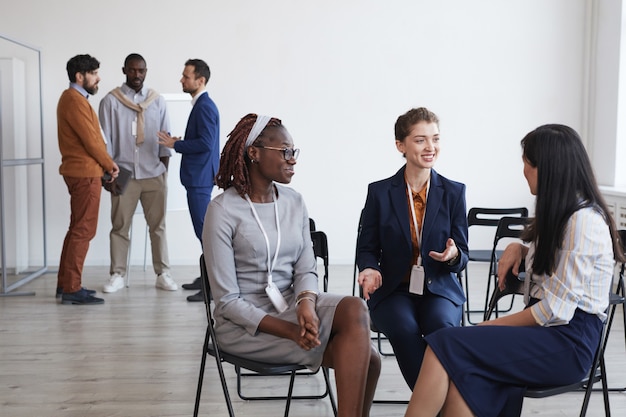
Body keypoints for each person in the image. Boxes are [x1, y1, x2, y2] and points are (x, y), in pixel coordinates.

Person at [404, 124, 625, 417]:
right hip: (547, 334)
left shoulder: (582, 222)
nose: (523, 171)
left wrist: (484, 327)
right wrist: (518, 248)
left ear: (546, 169)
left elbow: (552, 312)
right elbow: (549, 278)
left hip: (568, 343)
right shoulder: (559, 216)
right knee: (463, 373)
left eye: (527, 164)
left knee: (445, 343)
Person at [203, 113, 381, 416]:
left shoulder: (294, 202)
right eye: (285, 151)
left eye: (294, 152)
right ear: (254, 153)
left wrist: (305, 303)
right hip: (244, 325)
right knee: (370, 359)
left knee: (355, 311)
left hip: (290, 305)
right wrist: (288, 330)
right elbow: (228, 302)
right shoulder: (222, 210)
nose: (293, 159)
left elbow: (306, 267)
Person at [356, 107, 468, 389]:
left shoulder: (454, 192)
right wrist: (369, 268)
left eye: (435, 139)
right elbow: (366, 247)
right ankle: (440, 407)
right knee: (405, 329)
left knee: (441, 327)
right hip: (394, 289)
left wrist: (453, 256)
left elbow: (462, 254)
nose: (430, 147)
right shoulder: (379, 193)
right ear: (400, 146)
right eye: (420, 140)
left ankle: (433, 405)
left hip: (439, 287)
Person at [98, 53, 177, 293]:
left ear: (146, 71)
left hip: (153, 172)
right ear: (124, 70)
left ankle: (163, 273)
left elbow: (165, 138)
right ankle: (117, 274)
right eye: (132, 70)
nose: (137, 75)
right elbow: (104, 141)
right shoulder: (111, 101)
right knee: (120, 226)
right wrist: (108, 175)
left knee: (158, 226)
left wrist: (163, 170)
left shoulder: (157, 101)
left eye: (141, 70)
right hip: (122, 172)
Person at [56, 54, 119, 305]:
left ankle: (65, 284)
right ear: (80, 76)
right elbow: (91, 140)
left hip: (82, 172)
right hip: (84, 173)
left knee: (76, 229)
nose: (98, 78)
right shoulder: (73, 100)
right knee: (83, 230)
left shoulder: (75, 99)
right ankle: (72, 288)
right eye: (94, 73)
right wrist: (109, 164)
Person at [158, 59, 219, 302]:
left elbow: (205, 143)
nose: (182, 80)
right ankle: (206, 278)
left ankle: (212, 287)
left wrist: (176, 144)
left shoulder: (204, 106)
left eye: (186, 76)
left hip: (200, 178)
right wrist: (181, 141)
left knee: (206, 234)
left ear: (200, 80)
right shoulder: (202, 104)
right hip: (199, 177)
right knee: (203, 232)